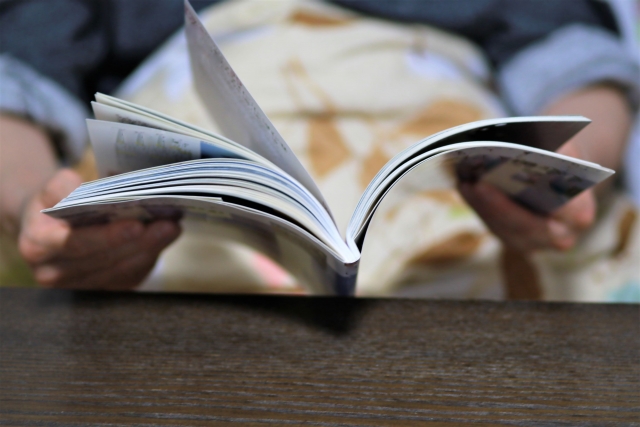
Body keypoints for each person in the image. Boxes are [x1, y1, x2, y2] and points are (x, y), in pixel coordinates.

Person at [1, 0, 638, 295]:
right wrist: (38, 208)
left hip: (444, 179)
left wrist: (565, 173)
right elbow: (16, 90)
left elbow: (579, 68)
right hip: (185, 213)